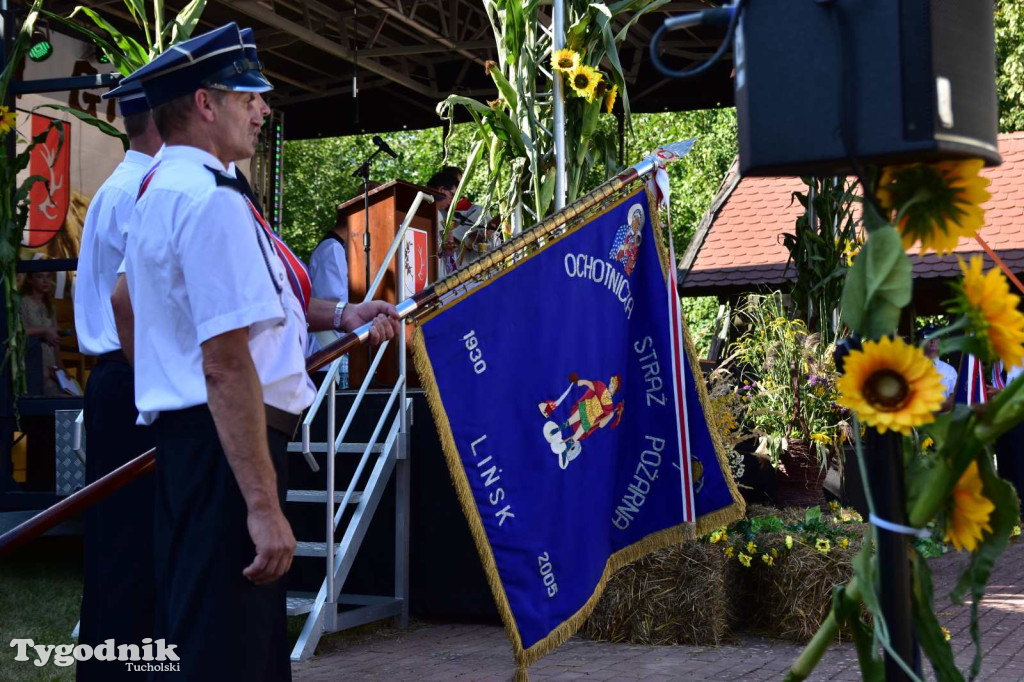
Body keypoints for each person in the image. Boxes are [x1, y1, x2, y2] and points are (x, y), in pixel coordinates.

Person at [112, 24, 399, 681]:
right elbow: (226, 358)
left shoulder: (164, 189)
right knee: (231, 652)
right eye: (249, 96)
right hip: (232, 446)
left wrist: (340, 313)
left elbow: (132, 302)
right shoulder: (211, 202)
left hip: (205, 442)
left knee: (214, 636)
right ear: (206, 103)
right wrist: (263, 506)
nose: (263, 110)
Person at [72, 77, 163, 682]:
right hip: (132, 376)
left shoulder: (115, 187)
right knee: (136, 548)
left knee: (115, 547)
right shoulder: (144, 191)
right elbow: (136, 301)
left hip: (112, 377)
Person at [426, 166, 499, 274]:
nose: (459, 188)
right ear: (442, 189)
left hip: (475, 270)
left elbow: (493, 247)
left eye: (460, 184)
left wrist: (487, 236)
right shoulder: (437, 212)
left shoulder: (479, 212)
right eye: (455, 184)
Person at [306, 213, 349, 385]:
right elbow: (333, 302)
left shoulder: (334, 248)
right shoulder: (332, 248)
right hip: (327, 353)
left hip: (329, 354)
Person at [19, 270, 65, 396]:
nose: (45, 281)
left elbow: (55, 338)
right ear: (30, 280)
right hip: (32, 359)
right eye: (40, 277)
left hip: (50, 360)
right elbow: (19, 331)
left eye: (48, 276)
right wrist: (44, 331)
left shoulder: (49, 306)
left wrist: (60, 366)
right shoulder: (23, 302)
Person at [920, 325, 956, 412]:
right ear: (920, 342)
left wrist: (933, 412)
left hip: (942, 421)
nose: (932, 340)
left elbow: (954, 398)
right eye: (928, 336)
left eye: (936, 337)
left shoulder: (950, 371)